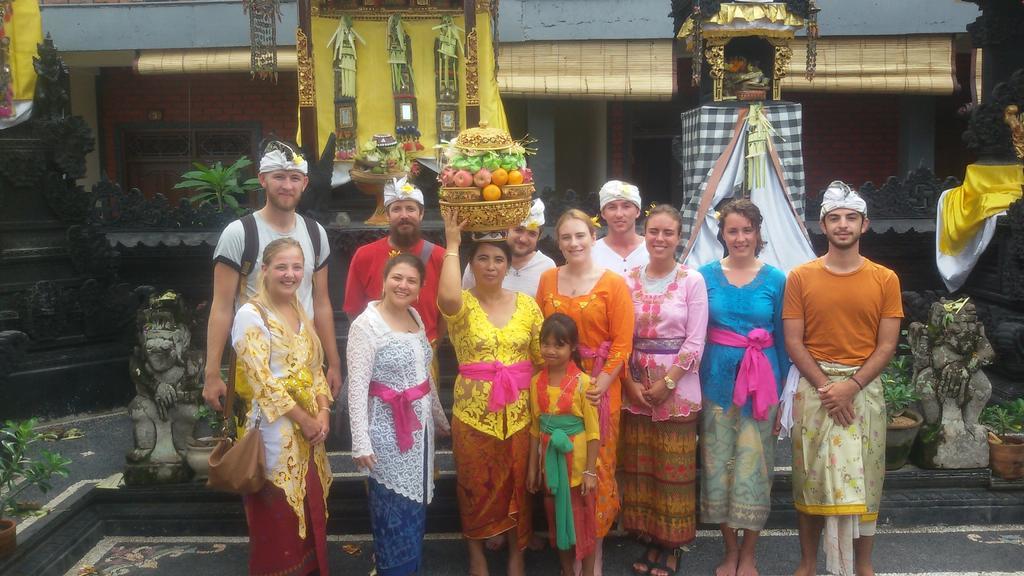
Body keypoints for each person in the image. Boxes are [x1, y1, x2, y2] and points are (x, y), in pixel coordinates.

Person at [783, 181, 902, 576]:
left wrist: (850, 387)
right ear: (823, 225)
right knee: (809, 478)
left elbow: (886, 346)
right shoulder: (800, 277)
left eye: (851, 218)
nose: (843, 225)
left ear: (864, 225)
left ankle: (863, 564)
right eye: (835, 218)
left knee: (868, 476)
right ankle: (807, 562)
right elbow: (794, 342)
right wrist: (827, 388)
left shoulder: (885, 279)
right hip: (815, 389)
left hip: (863, 391)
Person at [438, 209, 545, 576]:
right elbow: (447, 296)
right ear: (472, 264)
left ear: (508, 265)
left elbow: (540, 360)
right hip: (472, 414)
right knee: (473, 483)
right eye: (482, 258)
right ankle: (477, 554)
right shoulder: (462, 304)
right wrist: (453, 242)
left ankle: (517, 552)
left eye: (498, 259)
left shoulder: (528, 305)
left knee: (519, 484)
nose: (490, 265)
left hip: (519, 413)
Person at [204, 141, 342, 414]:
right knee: (263, 449)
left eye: (294, 178)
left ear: (304, 183)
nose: (287, 186)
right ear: (262, 180)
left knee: (309, 445)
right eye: (278, 177)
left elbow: (322, 302)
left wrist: (334, 362)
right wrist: (211, 372)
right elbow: (221, 307)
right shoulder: (239, 234)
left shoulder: (316, 234)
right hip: (258, 364)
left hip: (305, 362)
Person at [536, 208, 635, 576]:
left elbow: (623, 344)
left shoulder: (613, 283)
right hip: (557, 392)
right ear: (557, 242)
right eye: (566, 237)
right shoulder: (548, 280)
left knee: (595, 472)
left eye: (580, 236)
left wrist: (600, 386)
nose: (574, 243)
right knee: (562, 471)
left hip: (597, 390)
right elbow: (541, 337)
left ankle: (594, 557)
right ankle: (568, 555)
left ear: (593, 239)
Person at [231, 237, 333, 576]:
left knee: (311, 509)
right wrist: (304, 419)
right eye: (282, 267)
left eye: (296, 267)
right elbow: (262, 381)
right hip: (277, 434)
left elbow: (314, 368)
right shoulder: (251, 314)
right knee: (280, 522)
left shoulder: (299, 310)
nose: (290, 274)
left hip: (309, 433)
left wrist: (322, 412)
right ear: (264, 270)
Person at [698, 199, 789, 576]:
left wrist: (783, 397)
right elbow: (696, 335)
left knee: (756, 467)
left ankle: (749, 553)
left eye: (747, 230)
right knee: (716, 466)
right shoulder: (703, 276)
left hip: (762, 388)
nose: (740, 238)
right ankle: (730, 549)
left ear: (758, 233)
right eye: (732, 230)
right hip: (715, 384)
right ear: (722, 234)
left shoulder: (776, 279)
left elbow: (784, 341)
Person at [347, 254, 450, 576]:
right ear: (384, 280)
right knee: (392, 510)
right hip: (386, 435)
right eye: (397, 278)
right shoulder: (366, 325)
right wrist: (361, 443)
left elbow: (425, 375)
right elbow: (357, 388)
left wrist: (439, 417)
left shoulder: (415, 317)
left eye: (411, 281)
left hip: (420, 436)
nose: (403, 285)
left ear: (420, 288)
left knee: (415, 511)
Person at [621, 204, 708, 576]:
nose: (659, 239)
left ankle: (672, 545)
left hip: (678, 387)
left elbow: (695, 340)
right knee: (642, 466)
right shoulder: (627, 279)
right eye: (653, 231)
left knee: (674, 470)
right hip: (635, 384)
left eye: (668, 233)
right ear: (645, 234)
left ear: (679, 237)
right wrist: (630, 383)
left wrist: (667, 382)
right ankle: (649, 538)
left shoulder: (691, 280)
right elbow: (620, 336)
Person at [527, 313, 600, 576]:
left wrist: (590, 471)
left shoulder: (584, 383)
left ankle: (588, 572)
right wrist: (533, 469)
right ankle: (567, 570)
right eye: (545, 344)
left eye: (559, 345)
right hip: (551, 467)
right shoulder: (536, 383)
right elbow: (536, 429)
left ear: (572, 348)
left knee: (584, 523)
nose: (550, 350)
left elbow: (593, 431)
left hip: (578, 469)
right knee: (556, 520)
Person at [344, 177, 446, 344]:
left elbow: (447, 313)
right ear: (388, 215)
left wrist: (432, 346)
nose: (404, 215)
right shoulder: (364, 255)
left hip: (426, 352)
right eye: (397, 209)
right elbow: (353, 310)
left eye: (410, 209)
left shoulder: (440, 256)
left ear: (421, 214)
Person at [463, 198, 556, 298]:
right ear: (507, 229)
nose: (523, 239)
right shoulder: (481, 261)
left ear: (539, 237)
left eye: (532, 234)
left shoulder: (547, 267)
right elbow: (464, 300)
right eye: (518, 230)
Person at [591, 180, 649, 277]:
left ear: (638, 211)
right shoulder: (591, 252)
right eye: (612, 207)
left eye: (626, 206)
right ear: (603, 213)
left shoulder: (653, 249)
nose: (619, 214)